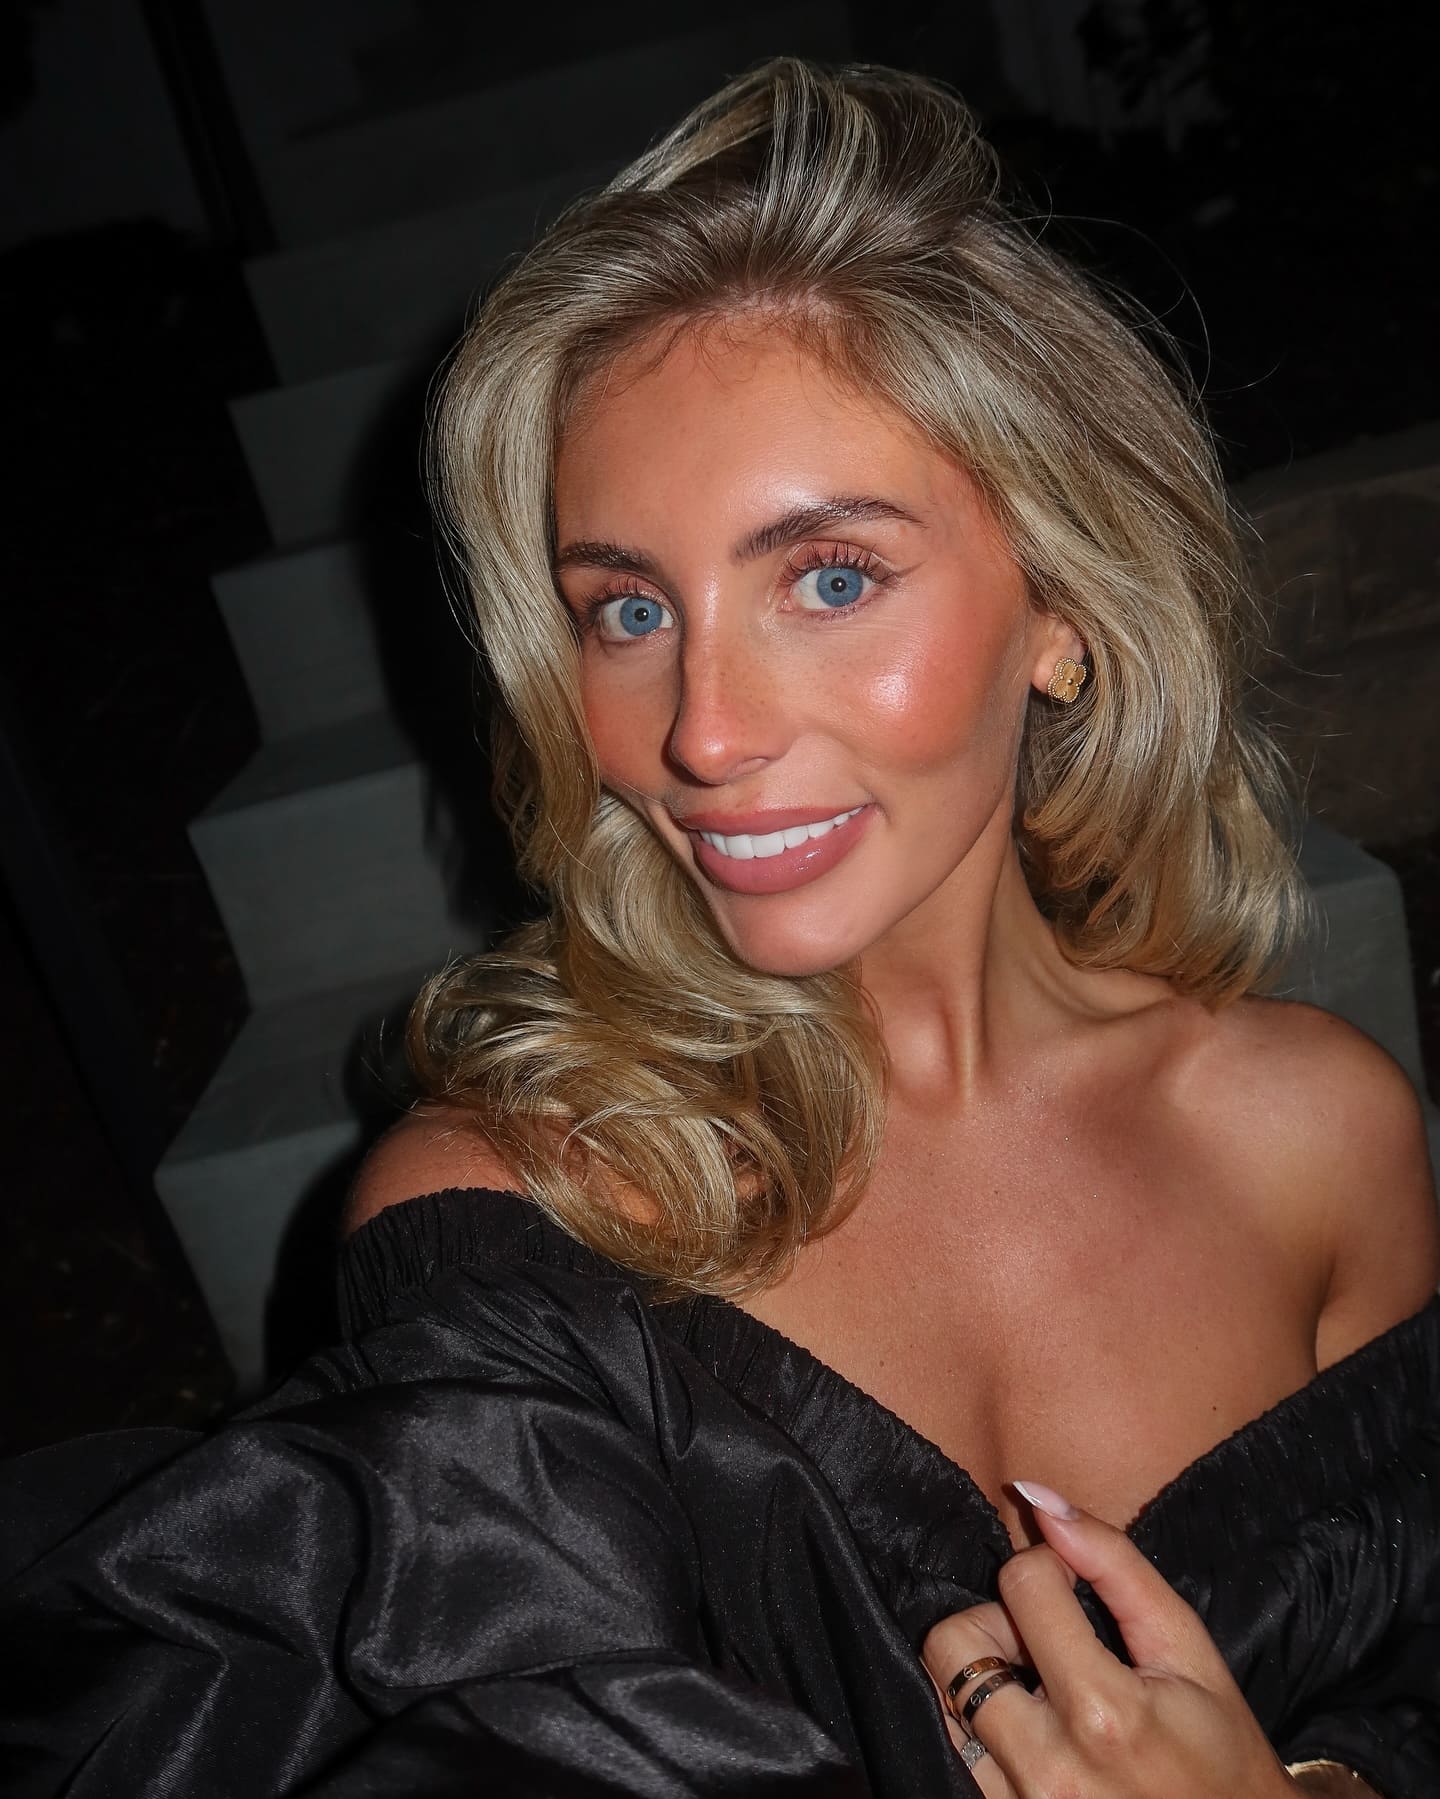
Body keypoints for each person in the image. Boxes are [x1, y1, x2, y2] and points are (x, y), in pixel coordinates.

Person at [3, 59, 1438, 1799]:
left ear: (1063, 611)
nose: (698, 731)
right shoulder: (521, 1232)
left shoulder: (1319, 1133)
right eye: (626, 609)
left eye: (828, 579)